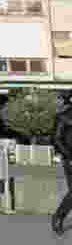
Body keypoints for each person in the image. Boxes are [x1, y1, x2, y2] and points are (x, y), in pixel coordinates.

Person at [52, 94, 72, 237]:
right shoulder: (63, 116)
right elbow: (57, 139)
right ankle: (58, 216)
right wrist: (69, 156)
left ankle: (59, 216)